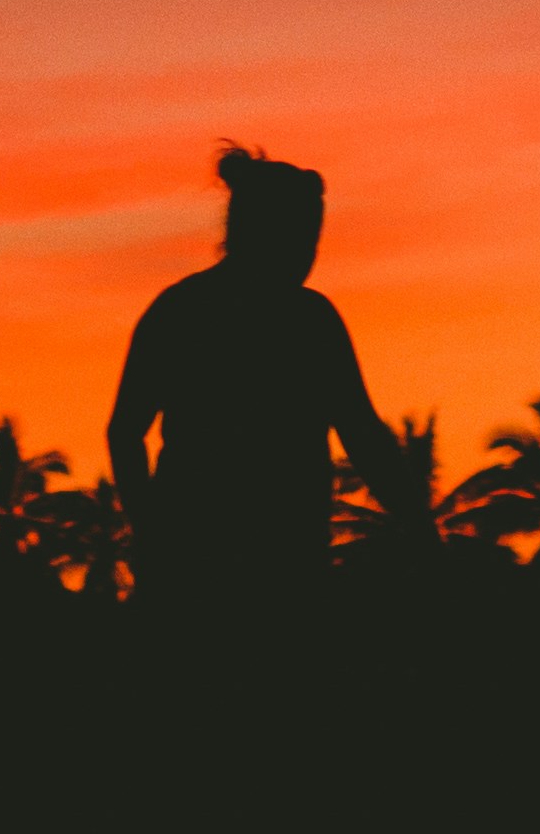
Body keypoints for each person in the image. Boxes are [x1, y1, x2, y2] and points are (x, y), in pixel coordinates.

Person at [106, 148, 418, 606]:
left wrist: (152, 531)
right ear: (258, 233)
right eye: (299, 239)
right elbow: (362, 431)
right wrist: (152, 531)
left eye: (313, 241)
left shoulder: (183, 309)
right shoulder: (302, 319)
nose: (308, 255)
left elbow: (125, 432)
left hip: (264, 558)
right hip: (230, 563)